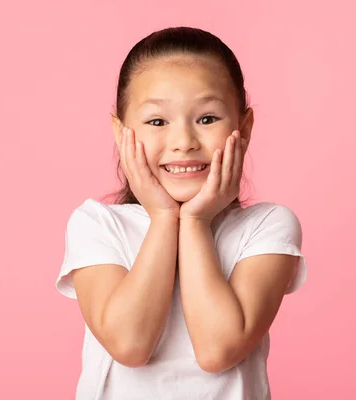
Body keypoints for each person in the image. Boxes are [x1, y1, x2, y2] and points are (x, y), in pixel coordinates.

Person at [56, 26, 308, 400]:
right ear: (121, 132)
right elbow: (129, 345)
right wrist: (162, 218)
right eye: (157, 122)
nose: (184, 142)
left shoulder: (268, 227)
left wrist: (194, 220)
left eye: (207, 119)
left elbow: (218, 349)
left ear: (245, 127)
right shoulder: (97, 225)